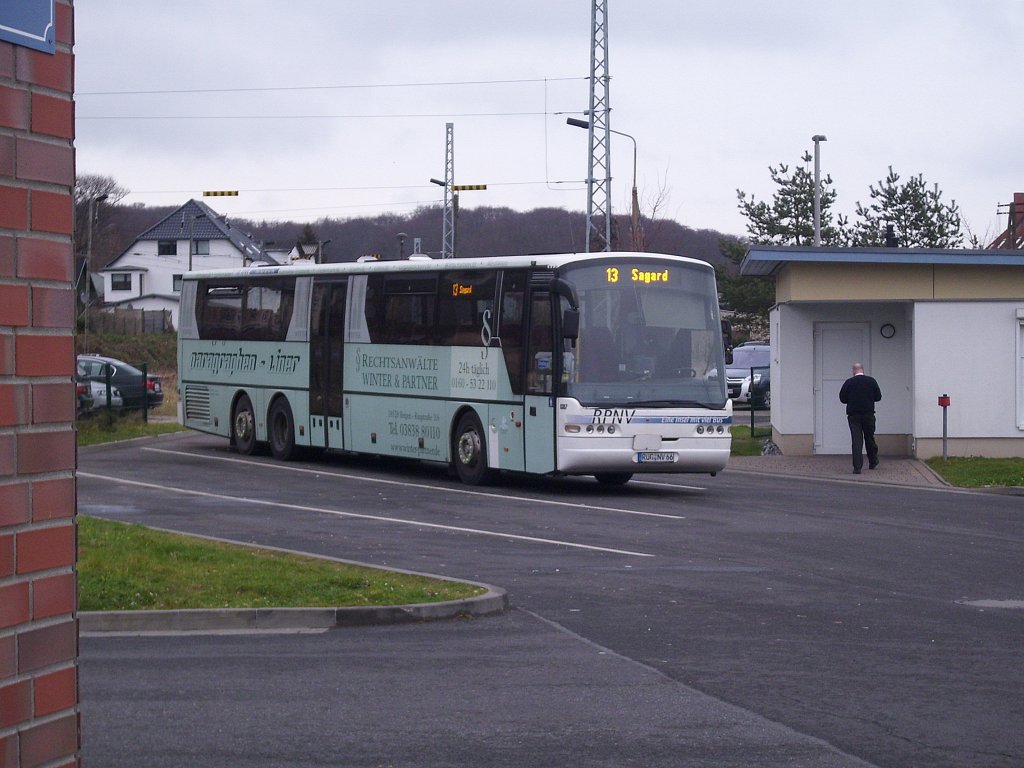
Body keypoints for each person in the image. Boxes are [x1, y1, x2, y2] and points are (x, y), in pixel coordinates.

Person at [839, 363, 882, 474]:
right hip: (868, 414)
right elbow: (878, 397)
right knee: (869, 438)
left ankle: (857, 467)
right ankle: (873, 461)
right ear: (863, 370)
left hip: (854, 416)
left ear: (853, 371)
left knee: (856, 441)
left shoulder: (849, 382)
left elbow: (842, 399)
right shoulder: (871, 381)